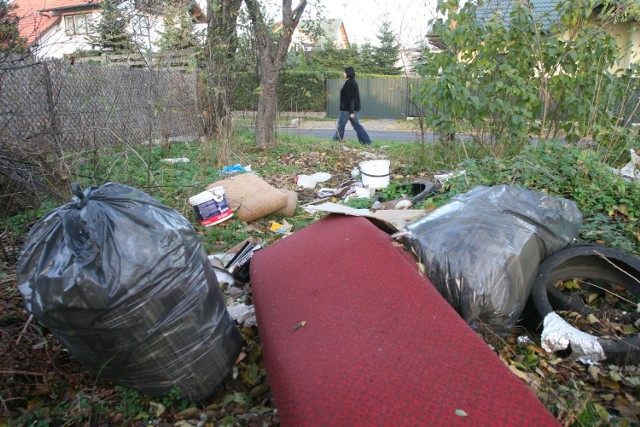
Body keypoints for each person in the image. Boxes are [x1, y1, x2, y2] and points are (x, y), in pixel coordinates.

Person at [333, 66, 372, 146]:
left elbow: (351, 99)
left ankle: (336, 141)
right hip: (352, 110)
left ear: (348, 73)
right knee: (357, 126)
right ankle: (366, 142)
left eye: (344, 72)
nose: (343, 74)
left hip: (347, 110)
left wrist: (351, 112)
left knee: (341, 125)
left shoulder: (350, 83)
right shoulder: (352, 82)